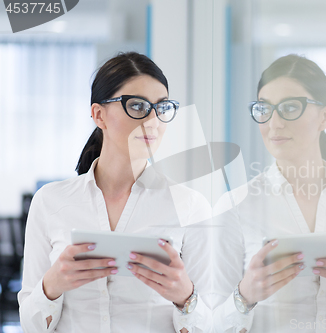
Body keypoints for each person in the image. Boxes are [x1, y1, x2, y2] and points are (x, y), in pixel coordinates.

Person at [18, 52, 212, 333]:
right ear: (99, 114)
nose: (153, 120)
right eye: (137, 105)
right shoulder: (50, 202)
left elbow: (210, 324)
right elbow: (31, 326)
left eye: (162, 107)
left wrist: (185, 297)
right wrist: (52, 286)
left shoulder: (191, 206)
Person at [213, 54, 326, 332]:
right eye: (264, 109)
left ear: (325, 117)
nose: (274, 123)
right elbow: (211, 322)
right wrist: (245, 295)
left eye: (289, 107)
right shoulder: (235, 206)